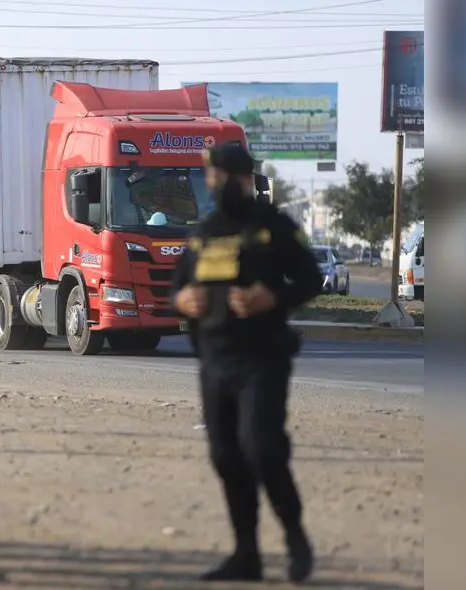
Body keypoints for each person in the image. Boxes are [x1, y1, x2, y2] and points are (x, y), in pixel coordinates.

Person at [171, 142, 323, 583]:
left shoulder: (273, 226)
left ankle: (295, 538)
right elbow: (176, 289)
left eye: (223, 177)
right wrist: (183, 299)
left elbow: (311, 278)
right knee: (225, 455)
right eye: (211, 177)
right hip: (215, 360)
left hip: (263, 358)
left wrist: (271, 296)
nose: (216, 184)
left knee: (262, 449)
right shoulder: (205, 230)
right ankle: (246, 556)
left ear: (244, 178)